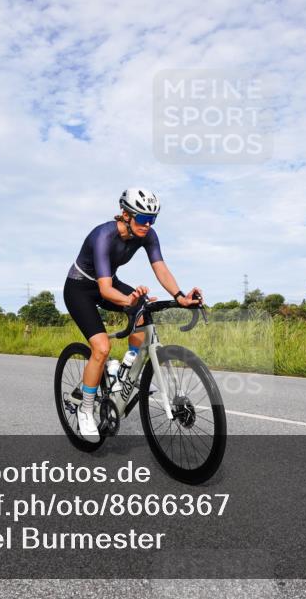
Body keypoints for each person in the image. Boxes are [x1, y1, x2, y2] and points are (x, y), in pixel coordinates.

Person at [63, 188, 203, 441]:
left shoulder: (147, 234)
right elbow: (105, 290)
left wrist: (180, 296)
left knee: (143, 312)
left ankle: (126, 365)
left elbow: (161, 269)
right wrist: (128, 300)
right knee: (102, 347)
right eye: (141, 219)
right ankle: (85, 410)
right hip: (80, 289)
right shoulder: (104, 235)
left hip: (108, 282)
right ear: (126, 215)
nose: (147, 225)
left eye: (153, 219)